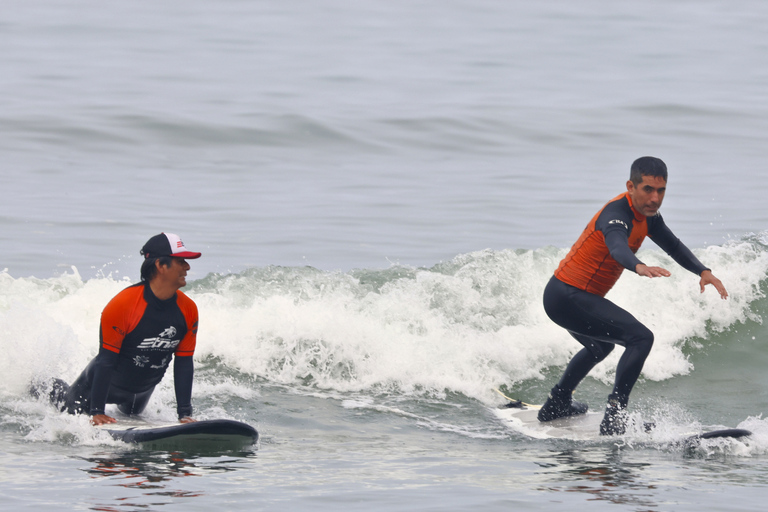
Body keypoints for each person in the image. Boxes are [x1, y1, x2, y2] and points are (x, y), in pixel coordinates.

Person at [537, 157, 728, 435]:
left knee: (601, 347)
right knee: (640, 338)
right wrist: (638, 266)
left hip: (565, 296)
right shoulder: (616, 214)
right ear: (630, 186)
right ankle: (615, 416)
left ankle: (557, 404)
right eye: (648, 189)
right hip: (567, 295)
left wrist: (703, 271)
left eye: (661, 191)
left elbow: (672, 245)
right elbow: (617, 247)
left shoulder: (648, 216)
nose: (655, 198)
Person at [53, 233, 202, 426]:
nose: (187, 267)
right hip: (97, 388)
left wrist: (184, 414)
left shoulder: (188, 309)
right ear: (160, 265)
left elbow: (183, 363)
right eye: (181, 261)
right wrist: (97, 411)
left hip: (141, 392)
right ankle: (45, 386)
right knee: (66, 408)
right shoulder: (124, 304)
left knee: (132, 422)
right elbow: (106, 360)